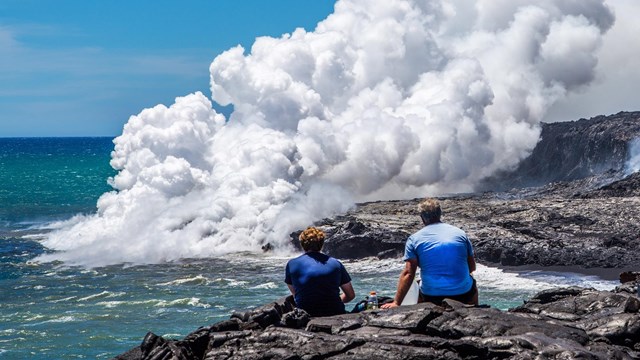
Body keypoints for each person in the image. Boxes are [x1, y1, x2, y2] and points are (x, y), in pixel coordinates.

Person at [381, 198, 478, 308]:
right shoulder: (460, 234)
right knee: (471, 279)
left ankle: (423, 314)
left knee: (417, 284)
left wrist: (396, 303)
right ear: (440, 214)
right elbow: (472, 267)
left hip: (431, 296)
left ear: (422, 218)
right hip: (463, 294)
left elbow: (409, 273)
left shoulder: (414, 239)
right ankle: (475, 310)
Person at [285, 227, 356, 317]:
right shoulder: (335, 263)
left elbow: (297, 295)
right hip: (335, 313)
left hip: (305, 315)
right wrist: (333, 301)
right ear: (322, 244)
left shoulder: (292, 264)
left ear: (302, 244)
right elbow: (350, 295)